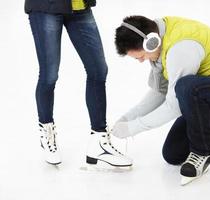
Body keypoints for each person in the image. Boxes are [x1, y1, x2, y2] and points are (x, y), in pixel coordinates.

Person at [112, 15, 210, 185]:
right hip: (209, 98)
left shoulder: (180, 48)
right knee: (173, 153)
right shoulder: (160, 42)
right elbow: (160, 93)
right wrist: (127, 119)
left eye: (140, 56)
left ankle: (203, 153)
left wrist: (133, 128)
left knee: (186, 87)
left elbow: (174, 106)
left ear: (151, 42)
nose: (141, 61)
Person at [25, 0, 132, 167]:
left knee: (98, 70)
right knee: (49, 75)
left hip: (80, 7)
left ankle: (99, 140)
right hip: (46, 8)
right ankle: (46, 131)